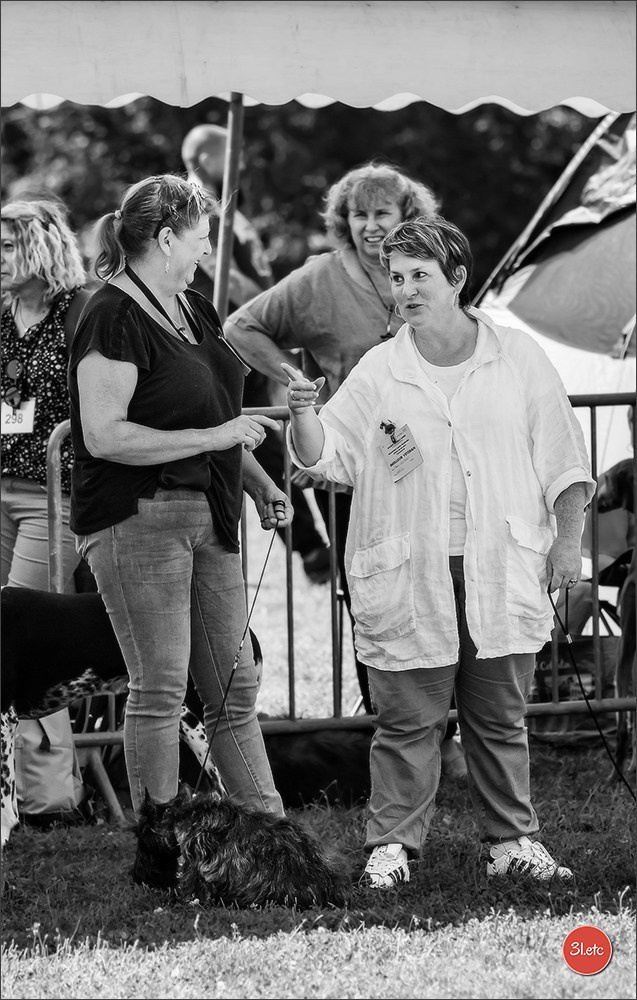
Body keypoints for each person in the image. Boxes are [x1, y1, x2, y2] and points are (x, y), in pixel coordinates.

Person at [282, 214, 596, 888]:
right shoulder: (380, 368)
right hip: (409, 572)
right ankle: (392, 847)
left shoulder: (517, 357)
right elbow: (326, 455)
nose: (406, 290)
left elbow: (564, 460)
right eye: (396, 278)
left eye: (420, 275)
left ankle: (512, 842)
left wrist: (567, 544)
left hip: (499, 565)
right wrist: (304, 414)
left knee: (500, 718)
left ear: (456, 278)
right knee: (405, 722)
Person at [67, 174, 293, 887]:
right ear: (165, 239)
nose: (206, 252)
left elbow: (216, 419)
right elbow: (104, 436)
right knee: (161, 687)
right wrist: (218, 436)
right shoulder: (109, 313)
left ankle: (272, 841)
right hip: (136, 518)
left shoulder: (195, 306)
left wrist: (259, 485)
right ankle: (158, 853)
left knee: (232, 686)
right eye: (200, 239)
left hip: (211, 515)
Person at [182, 123, 330, 583]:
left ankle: (311, 544)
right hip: (220, 345)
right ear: (205, 160)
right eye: (231, 154)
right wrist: (264, 306)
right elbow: (229, 279)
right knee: (258, 443)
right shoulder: (196, 212)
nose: (241, 162)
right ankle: (309, 545)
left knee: (270, 439)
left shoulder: (232, 211)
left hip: (246, 345)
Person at [1, 198, 91, 594]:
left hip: (55, 496)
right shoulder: (3, 315)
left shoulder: (81, 311)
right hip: (2, 485)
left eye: (8, 246)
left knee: (20, 612)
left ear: (43, 247)